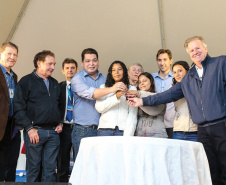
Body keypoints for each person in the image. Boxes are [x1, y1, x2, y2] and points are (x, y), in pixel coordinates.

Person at [127, 36, 226, 185]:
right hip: (203, 131)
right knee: (210, 171)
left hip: (222, 125)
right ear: (189, 54)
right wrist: (142, 100)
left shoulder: (221, 63)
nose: (195, 52)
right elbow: (166, 95)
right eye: (192, 50)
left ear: (205, 48)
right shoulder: (188, 78)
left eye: (198, 48)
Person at [13, 50, 63, 182]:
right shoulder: (25, 81)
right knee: (33, 169)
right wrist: (29, 128)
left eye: (54, 64)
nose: (53, 67)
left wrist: (60, 122)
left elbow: (59, 106)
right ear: (39, 63)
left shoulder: (54, 83)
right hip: (35, 132)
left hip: (53, 133)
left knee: (50, 170)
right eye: (49, 64)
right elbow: (18, 108)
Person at [71, 48, 127, 160]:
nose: (91, 64)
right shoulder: (77, 79)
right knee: (83, 166)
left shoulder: (106, 79)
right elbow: (92, 94)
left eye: (94, 60)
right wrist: (112, 89)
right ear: (82, 63)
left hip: (105, 130)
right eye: (87, 61)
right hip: (83, 130)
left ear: (98, 61)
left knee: (101, 166)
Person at [95, 61, 137, 136]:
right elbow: (99, 108)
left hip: (123, 131)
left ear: (124, 71)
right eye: (113, 70)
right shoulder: (104, 88)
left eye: (119, 69)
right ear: (110, 73)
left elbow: (133, 114)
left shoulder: (132, 89)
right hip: (104, 129)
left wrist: (128, 135)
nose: (116, 72)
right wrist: (116, 97)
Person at [0, 42, 20, 182]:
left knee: (10, 164)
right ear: (1, 54)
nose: (12, 57)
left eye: (15, 55)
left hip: (12, 127)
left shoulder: (14, 76)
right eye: (9, 53)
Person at [126, 72, 167, 138]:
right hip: (139, 137)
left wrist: (139, 98)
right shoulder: (136, 99)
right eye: (139, 82)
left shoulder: (160, 97)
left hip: (158, 136)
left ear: (151, 82)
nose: (141, 83)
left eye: (144, 81)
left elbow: (153, 112)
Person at [57, 58, 78, 182]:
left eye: (72, 68)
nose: (70, 70)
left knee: (79, 160)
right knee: (62, 162)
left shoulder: (82, 87)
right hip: (63, 128)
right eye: (67, 68)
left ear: (77, 70)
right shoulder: (58, 87)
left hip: (78, 127)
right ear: (62, 71)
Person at [172, 61, 198, 141]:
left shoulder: (196, 85)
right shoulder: (172, 88)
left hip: (194, 130)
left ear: (187, 71)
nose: (177, 74)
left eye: (180, 71)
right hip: (178, 130)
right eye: (174, 72)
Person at [152, 49, 175, 138]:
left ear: (171, 61)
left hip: (172, 123)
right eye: (159, 60)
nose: (162, 63)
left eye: (165, 59)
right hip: (155, 123)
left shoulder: (176, 78)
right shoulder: (151, 78)